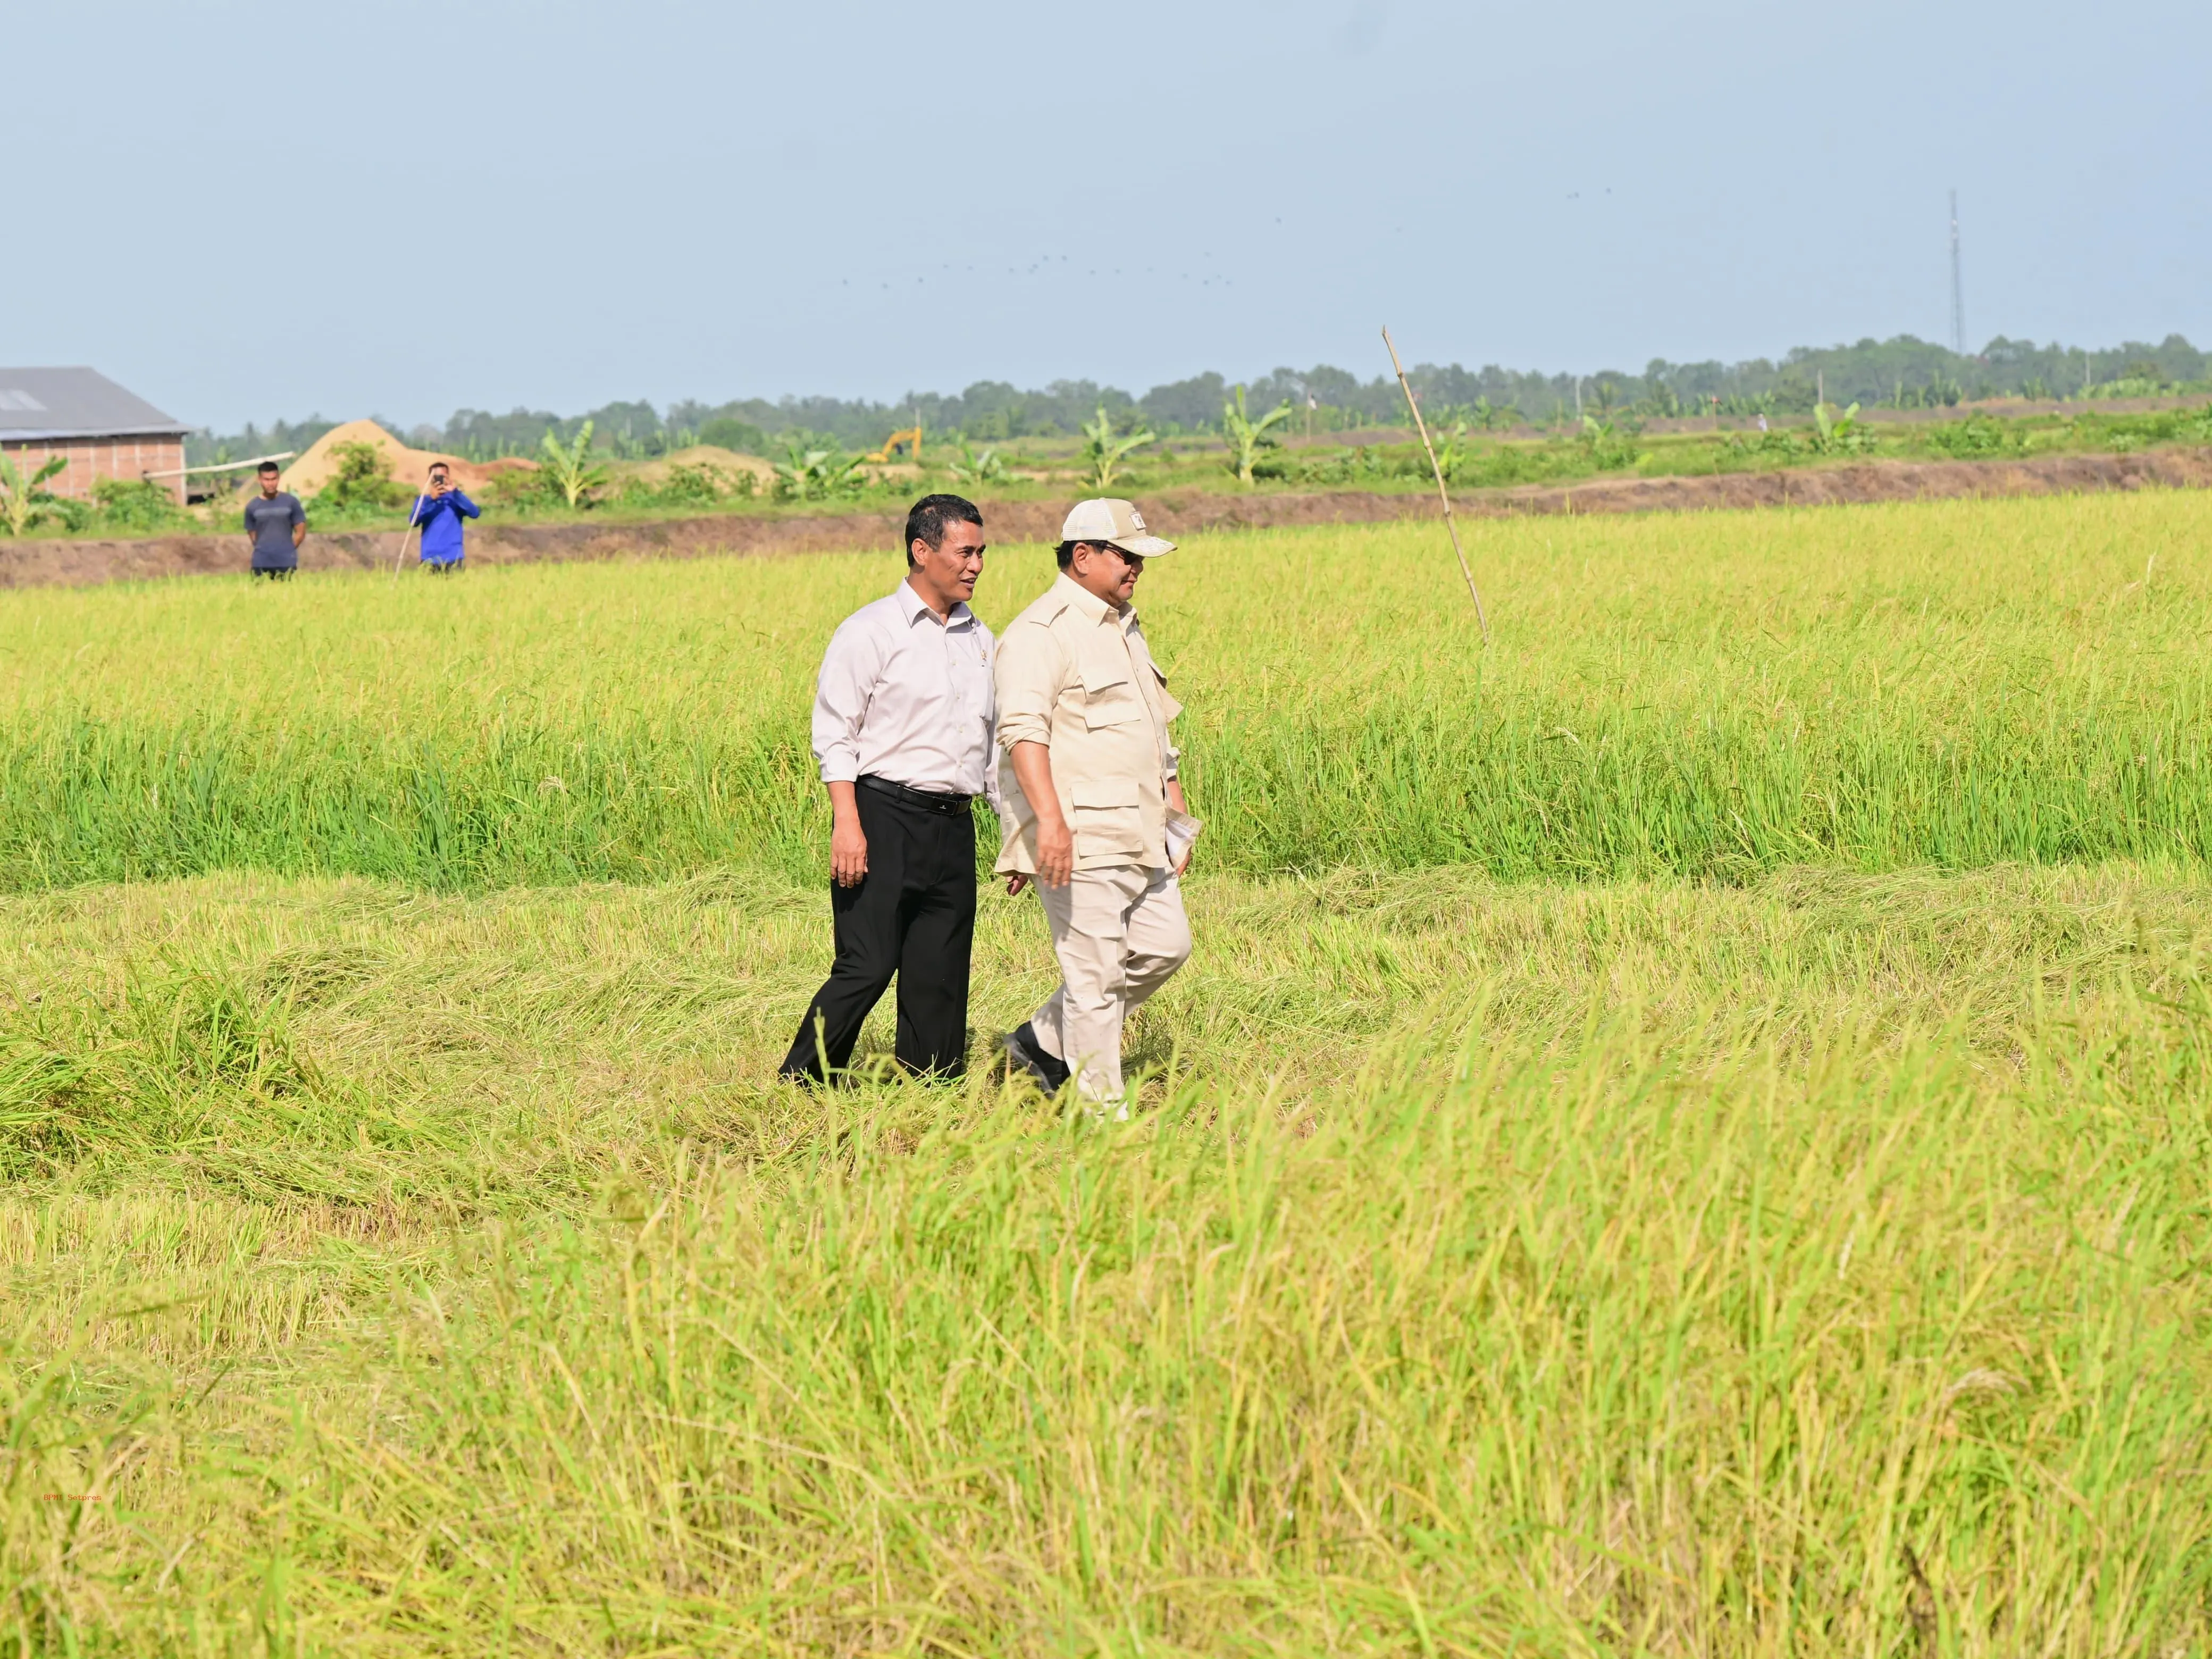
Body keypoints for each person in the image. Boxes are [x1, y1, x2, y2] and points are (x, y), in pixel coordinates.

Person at [777, 494, 997, 1084]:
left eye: (981, 552)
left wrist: (1015, 829)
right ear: (921, 551)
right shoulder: (870, 631)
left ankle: (931, 1084)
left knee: (940, 968)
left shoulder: (981, 640)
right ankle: (804, 1077)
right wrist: (846, 823)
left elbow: (991, 742)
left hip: (953, 822)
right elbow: (834, 733)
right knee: (868, 962)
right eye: (965, 552)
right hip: (881, 814)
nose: (976, 564)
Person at [995, 498, 1194, 1113]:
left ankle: (1040, 1042)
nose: (1136, 566)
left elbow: (1150, 725)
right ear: (1081, 555)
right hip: (1080, 835)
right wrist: (1046, 825)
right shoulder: (1040, 633)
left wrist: (1173, 803)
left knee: (1166, 946)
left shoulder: (1122, 624)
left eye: (1140, 556)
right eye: (1125, 555)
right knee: (1095, 978)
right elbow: (1022, 733)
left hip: (1139, 827)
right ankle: (1100, 1117)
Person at [410, 462, 479, 573]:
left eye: (442, 477)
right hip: (430, 558)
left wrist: (456, 493)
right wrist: (431, 501)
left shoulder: (455, 499)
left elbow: (475, 513)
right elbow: (413, 522)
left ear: (448, 477)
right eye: (436, 477)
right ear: (430, 479)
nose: (439, 480)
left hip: (453, 556)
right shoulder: (424, 500)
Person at [243, 460, 305, 579]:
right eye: (267, 480)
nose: (271, 483)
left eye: (274, 479)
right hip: (261, 562)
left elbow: (301, 532)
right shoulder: (252, 506)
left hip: (286, 562)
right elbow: (253, 536)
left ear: (279, 478)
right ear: (259, 480)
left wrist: (287, 549)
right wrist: (266, 549)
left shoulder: (291, 502)